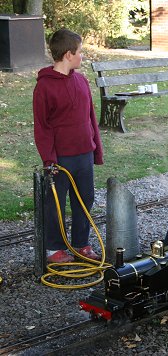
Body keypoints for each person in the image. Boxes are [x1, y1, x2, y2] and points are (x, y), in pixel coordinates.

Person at [33, 29, 104, 263]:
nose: (82, 56)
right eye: (80, 52)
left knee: (85, 199)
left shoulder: (81, 81)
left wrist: (96, 149)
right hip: (60, 158)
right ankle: (54, 249)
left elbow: (91, 117)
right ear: (67, 54)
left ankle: (81, 244)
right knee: (55, 204)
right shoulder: (44, 87)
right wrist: (49, 160)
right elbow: (42, 127)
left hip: (83, 153)